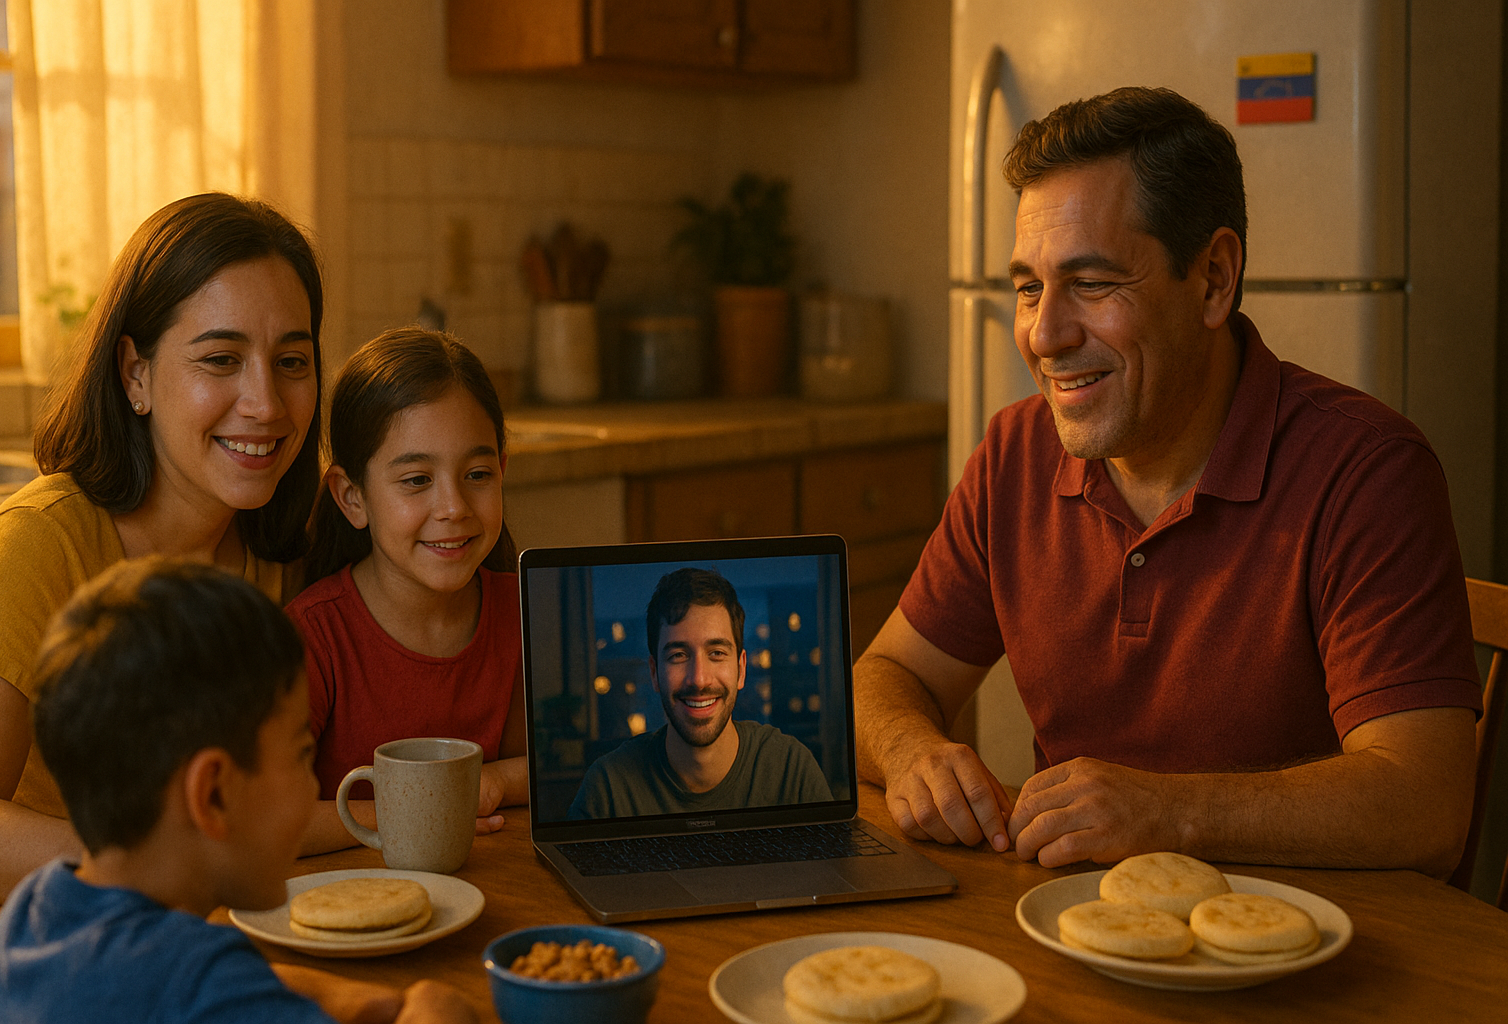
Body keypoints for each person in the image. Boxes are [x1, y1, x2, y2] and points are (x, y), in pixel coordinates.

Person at [855, 87, 1481, 877]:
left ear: (1214, 278)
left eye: (1092, 283)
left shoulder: (1366, 470)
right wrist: (913, 747)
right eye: (1027, 287)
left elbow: (1425, 804)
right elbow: (886, 676)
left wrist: (1168, 813)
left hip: (1314, 964)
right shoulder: (1014, 453)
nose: (1045, 334)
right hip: (1077, 939)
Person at [0, 192, 325, 904]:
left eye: (292, 360)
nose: (266, 402)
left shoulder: (294, 547)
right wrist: (166, 868)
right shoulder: (38, 543)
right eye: (221, 358)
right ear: (135, 374)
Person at [0, 557, 478, 1024]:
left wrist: (362, 999)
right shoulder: (207, 989)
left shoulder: (35, 910)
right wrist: (439, 1008)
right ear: (212, 794)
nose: (312, 789)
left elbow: (222, 972)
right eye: (302, 756)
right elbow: (212, 983)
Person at [288, 328, 527, 854]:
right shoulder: (311, 636)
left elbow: (559, 771)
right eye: (417, 480)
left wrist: (494, 785)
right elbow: (268, 822)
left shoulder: (522, 612)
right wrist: (426, 807)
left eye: (478, 473)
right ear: (352, 498)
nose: (454, 507)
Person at [569, 567, 832, 818]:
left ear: (741, 669)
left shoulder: (790, 769)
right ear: (654, 673)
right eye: (678, 655)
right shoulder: (608, 789)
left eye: (716, 653)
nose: (699, 679)